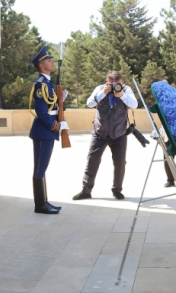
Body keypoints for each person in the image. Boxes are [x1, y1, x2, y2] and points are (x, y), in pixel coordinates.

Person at [73, 71, 138, 200]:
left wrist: (122, 95)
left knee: (120, 162)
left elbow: (134, 105)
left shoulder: (126, 90)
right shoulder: (99, 89)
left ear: (121, 81)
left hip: (119, 133)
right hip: (100, 132)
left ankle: (117, 190)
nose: (114, 86)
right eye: (111, 84)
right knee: (92, 160)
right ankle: (86, 191)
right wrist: (103, 92)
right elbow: (89, 103)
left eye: (117, 84)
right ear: (107, 82)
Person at [29, 45, 69, 214]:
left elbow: (53, 105)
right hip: (43, 131)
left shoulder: (48, 83)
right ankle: (40, 205)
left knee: (43, 167)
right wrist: (56, 126)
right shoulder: (41, 85)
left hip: (48, 132)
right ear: (41, 65)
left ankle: (44, 201)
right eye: (49, 61)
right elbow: (41, 112)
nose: (52, 63)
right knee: (39, 168)